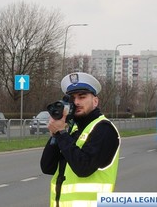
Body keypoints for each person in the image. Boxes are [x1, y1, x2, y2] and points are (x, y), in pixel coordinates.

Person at [40, 72, 120, 207]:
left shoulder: (104, 129)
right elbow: (47, 167)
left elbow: (83, 168)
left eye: (82, 97)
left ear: (95, 101)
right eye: (72, 98)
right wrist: (55, 134)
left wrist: (60, 133)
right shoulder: (72, 130)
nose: (76, 102)